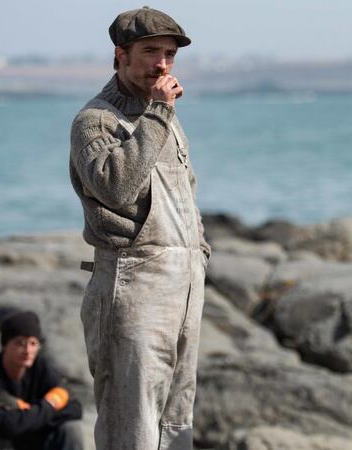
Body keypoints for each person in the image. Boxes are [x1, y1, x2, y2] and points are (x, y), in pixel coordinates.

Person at [68, 6, 210, 449]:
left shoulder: (163, 116)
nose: (162, 64)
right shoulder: (96, 120)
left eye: (170, 54)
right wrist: (159, 114)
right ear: (120, 55)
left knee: (176, 420)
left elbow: (187, 191)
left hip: (184, 286)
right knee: (132, 422)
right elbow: (116, 188)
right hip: (133, 286)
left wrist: (199, 254)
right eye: (150, 52)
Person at [0, 310, 83, 450]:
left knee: (70, 428)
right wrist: (51, 404)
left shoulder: (41, 368)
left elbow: (75, 408)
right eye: (20, 343)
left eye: (33, 343)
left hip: (22, 442)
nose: (27, 350)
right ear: (4, 345)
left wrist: (28, 413)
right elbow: (9, 425)